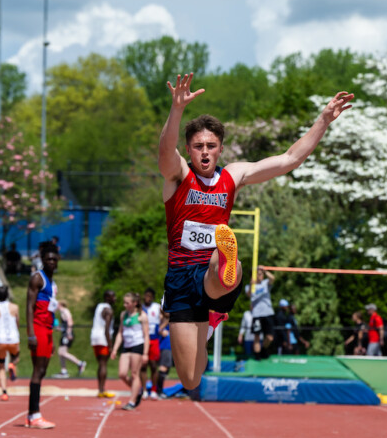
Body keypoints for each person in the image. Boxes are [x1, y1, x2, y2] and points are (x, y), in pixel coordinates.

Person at [158, 73, 353, 389]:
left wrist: (324, 120)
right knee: (190, 378)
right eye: (198, 147)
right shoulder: (178, 176)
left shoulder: (233, 176)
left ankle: (226, 262)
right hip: (179, 277)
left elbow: (289, 159)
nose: (204, 152)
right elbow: (166, 152)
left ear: (220, 149)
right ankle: (209, 323)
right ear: (189, 150)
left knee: (217, 265)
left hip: (209, 267)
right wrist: (176, 109)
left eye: (211, 146)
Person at [25, 242, 60, 429]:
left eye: (54, 259)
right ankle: (34, 415)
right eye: (48, 259)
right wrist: (30, 333)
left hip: (48, 330)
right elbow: (29, 307)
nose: (52, 262)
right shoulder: (38, 278)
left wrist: (51, 335)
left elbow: (51, 308)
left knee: (43, 370)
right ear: (43, 260)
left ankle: (32, 415)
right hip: (38, 328)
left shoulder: (52, 282)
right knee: (37, 371)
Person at [110, 292, 149, 410]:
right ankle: (137, 390)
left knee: (134, 373)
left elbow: (146, 335)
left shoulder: (141, 316)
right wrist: (115, 349)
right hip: (126, 346)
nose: (124, 305)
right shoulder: (123, 315)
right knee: (122, 374)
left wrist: (145, 353)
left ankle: (132, 401)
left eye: (127, 303)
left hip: (137, 345)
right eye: (124, 302)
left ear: (134, 303)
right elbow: (120, 333)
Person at [0, 285, 20, 401]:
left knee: (1, 366)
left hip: (0, 339)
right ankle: (12, 364)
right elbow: (17, 323)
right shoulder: (15, 307)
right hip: (13, 339)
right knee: (16, 356)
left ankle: (4, 392)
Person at [90, 290, 116, 398]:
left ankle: (100, 389)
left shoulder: (99, 306)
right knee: (103, 364)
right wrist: (110, 345)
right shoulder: (108, 310)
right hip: (103, 338)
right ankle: (101, 390)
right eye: (113, 296)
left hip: (94, 337)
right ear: (107, 297)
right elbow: (107, 329)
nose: (115, 298)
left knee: (100, 364)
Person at [246, 267, 276, 359]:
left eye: (261, 274)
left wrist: (265, 270)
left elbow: (273, 278)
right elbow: (248, 295)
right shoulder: (249, 286)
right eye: (259, 274)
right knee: (257, 337)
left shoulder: (265, 283)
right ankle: (257, 355)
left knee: (270, 337)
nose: (261, 275)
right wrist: (252, 284)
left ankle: (263, 349)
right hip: (257, 315)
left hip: (268, 313)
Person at [140, 288, 163, 400]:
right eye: (146, 296)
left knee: (154, 366)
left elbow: (167, 316)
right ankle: (144, 390)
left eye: (149, 296)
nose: (147, 298)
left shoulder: (157, 307)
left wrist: (161, 328)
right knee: (143, 366)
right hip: (143, 340)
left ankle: (154, 390)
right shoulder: (140, 308)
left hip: (154, 340)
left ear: (153, 297)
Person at [55, 300, 86, 378]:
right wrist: (59, 328)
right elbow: (65, 325)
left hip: (67, 335)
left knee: (63, 353)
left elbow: (70, 322)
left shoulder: (65, 311)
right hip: (64, 334)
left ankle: (80, 363)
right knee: (60, 353)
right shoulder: (62, 312)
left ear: (60, 305)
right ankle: (64, 371)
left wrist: (68, 333)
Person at [154, 313, 171, 399]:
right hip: (165, 347)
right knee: (163, 368)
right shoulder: (162, 321)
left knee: (166, 369)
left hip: (169, 347)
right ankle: (159, 391)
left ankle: (159, 390)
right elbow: (160, 330)